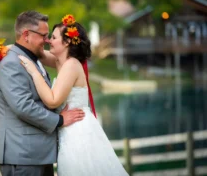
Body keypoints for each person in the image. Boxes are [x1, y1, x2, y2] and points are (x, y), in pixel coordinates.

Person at [18, 14, 129, 176]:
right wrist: (3, 50)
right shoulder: (61, 62)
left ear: (67, 41)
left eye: (53, 37)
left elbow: (52, 101)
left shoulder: (71, 65)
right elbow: (36, 54)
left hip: (78, 134)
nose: (48, 40)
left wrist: (33, 71)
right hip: (70, 132)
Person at [0, 11, 85, 176]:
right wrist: (60, 120)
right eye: (44, 35)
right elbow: (23, 107)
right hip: (22, 156)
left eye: (49, 36)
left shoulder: (34, 59)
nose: (47, 40)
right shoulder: (12, 64)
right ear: (26, 35)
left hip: (38, 155)